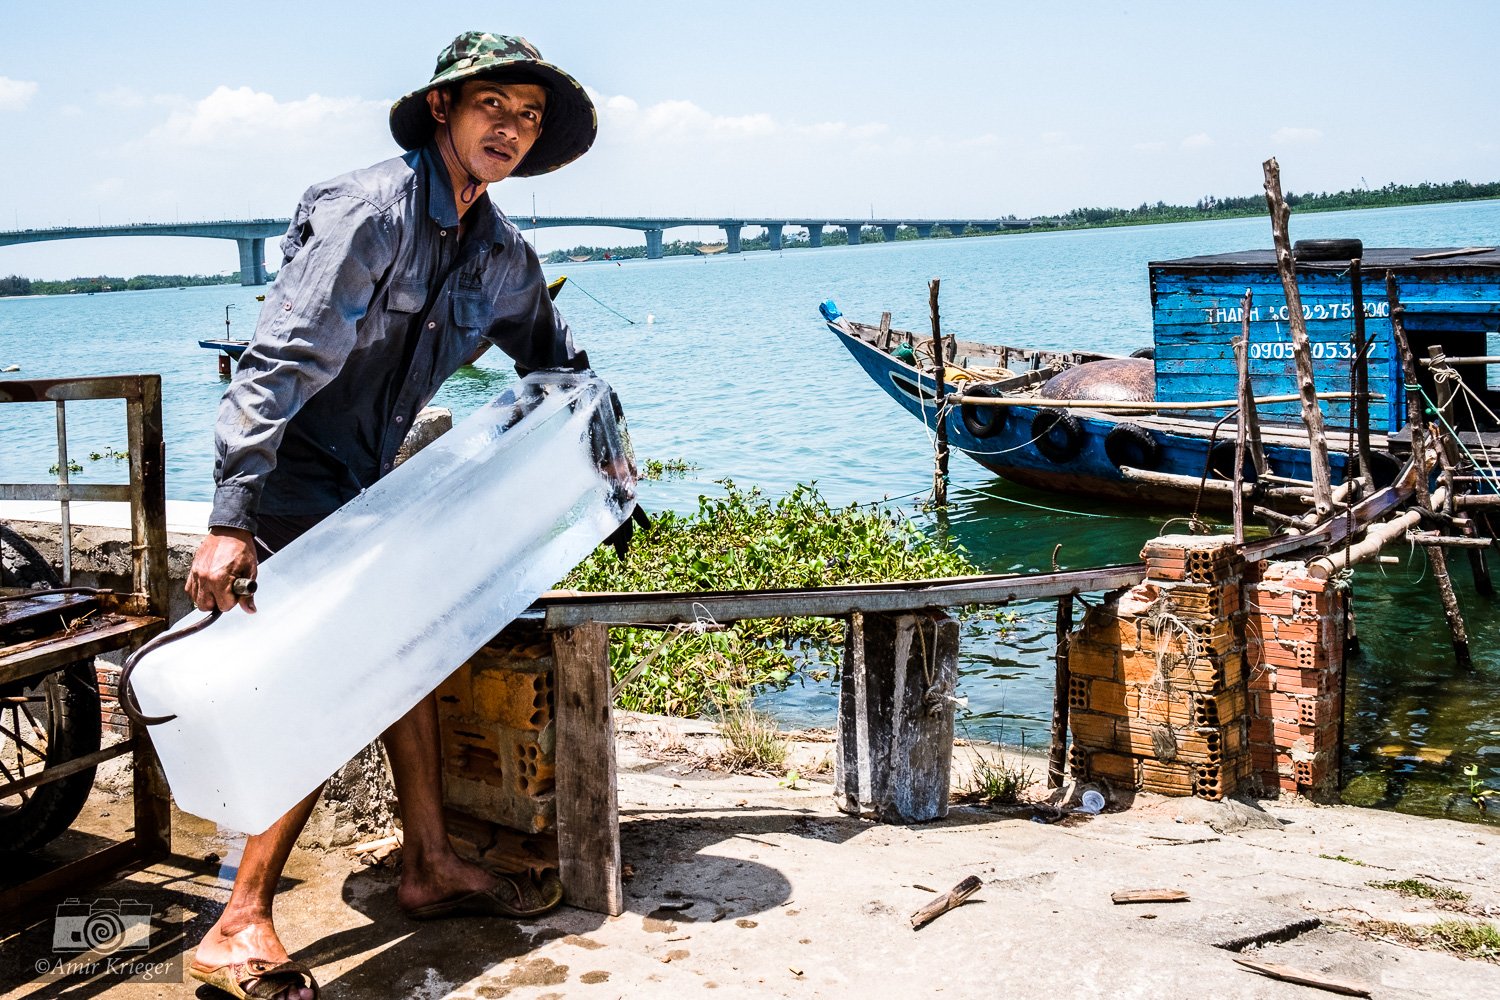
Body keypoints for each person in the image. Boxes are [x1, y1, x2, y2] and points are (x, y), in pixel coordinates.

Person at [183, 32, 598, 1000]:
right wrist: (231, 514)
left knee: (409, 652)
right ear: (442, 110)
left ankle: (429, 861)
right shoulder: (367, 211)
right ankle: (237, 919)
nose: (511, 126)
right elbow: (279, 362)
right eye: (491, 103)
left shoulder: (499, 250)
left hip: (367, 479)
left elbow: (552, 359)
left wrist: (598, 460)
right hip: (287, 474)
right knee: (337, 685)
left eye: (529, 115)